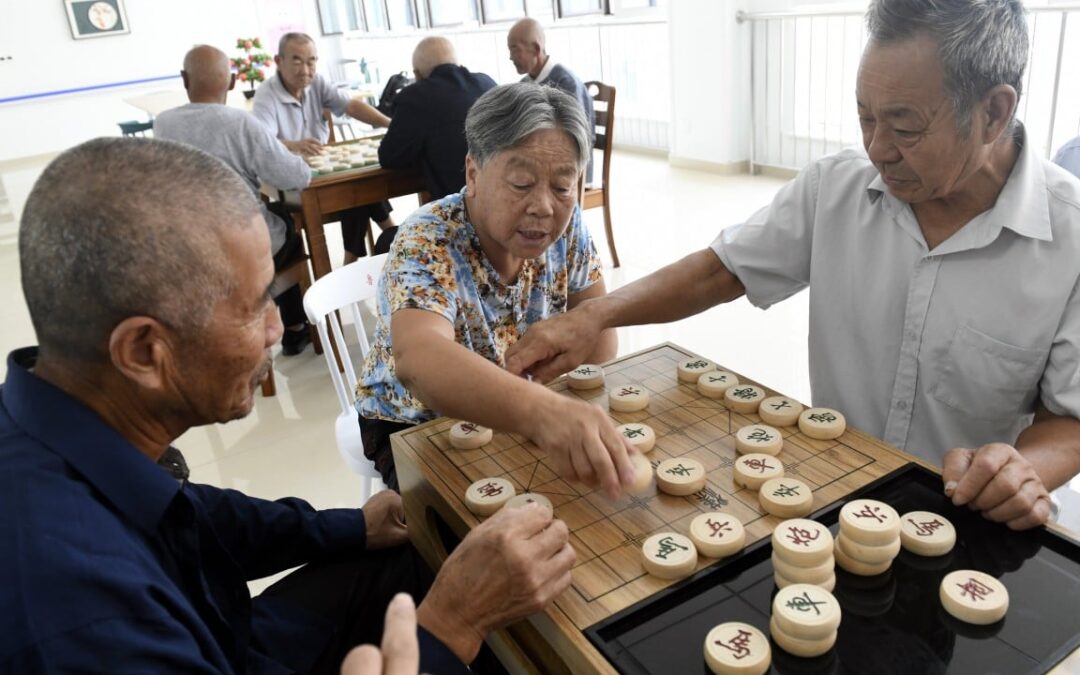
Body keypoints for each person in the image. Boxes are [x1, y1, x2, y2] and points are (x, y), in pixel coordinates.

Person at [0, 136, 577, 673]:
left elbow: (191, 515)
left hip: (223, 625)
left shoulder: (58, 420)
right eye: (255, 307)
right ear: (145, 351)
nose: (279, 328)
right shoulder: (79, 614)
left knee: (420, 556)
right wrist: (451, 624)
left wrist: (350, 526)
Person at [506, 0, 1080, 532]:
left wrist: (1022, 468)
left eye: (905, 127)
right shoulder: (838, 187)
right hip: (832, 489)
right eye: (865, 118)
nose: (878, 148)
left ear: (994, 112)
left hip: (969, 522)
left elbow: (1069, 419)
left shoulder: (1070, 237)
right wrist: (595, 316)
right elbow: (720, 270)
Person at [355, 82, 636, 496]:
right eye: (521, 184)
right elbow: (418, 360)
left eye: (562, 187)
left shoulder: (567, 227)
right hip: (416, 421)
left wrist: (554, 408)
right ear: (473, 173)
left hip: (522, 407)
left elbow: (598, 338)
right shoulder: (429, 238)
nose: (543, 206)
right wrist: (542, 411)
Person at [155, 44, 313, 356]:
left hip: (191, 247)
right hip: (242, 246)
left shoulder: (163, 124)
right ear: (231, 82)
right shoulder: (241, 123)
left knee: (272, 215)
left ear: (184, 79)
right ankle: (294, 328)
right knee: (286, 222)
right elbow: (296, 177)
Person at [253, 32, 395, 265]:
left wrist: (391, 124)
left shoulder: (316, 82)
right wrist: (294, 145)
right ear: (279, 62)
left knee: (356, 186)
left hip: (323, 169)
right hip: (289, 177)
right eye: (297, 60)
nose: (305, 69)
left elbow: (350, 105)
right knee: (355, 191)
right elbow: (261, 141)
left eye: (311, 61)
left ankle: (352, 260)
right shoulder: (266, 95)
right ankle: (389, 233)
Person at [378, 36, 496, 201]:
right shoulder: (487, 83)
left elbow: (389, 158)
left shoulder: (415, 97)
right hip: (503, 201)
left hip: (459, 211)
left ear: (417, 75)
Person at [507, 18, 594, 181]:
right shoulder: (524, 84)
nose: (510, 57)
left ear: (536, 48)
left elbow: (576, 139)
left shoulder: (566, 83)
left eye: (514, 49)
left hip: (570, 170)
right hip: (538, 160)